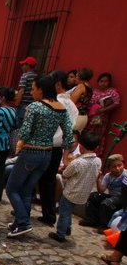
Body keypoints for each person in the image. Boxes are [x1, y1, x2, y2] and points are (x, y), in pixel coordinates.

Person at [5, 74, 73, 237]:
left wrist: (19, 146)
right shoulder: (61, 108)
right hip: (47, 154)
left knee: (12, 188)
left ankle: (22, 221)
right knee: (27, 189)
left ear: (41, 90)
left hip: (31, 151)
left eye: (33, 89)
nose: (32, 92)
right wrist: (65, 155)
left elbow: (25, 132)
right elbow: (69, 134)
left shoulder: (36, 107)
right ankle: (20, 221)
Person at [37, 70, 79, 225]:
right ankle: (48, 214)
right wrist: (66, 154)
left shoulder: (54, 103)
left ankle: (25, 210)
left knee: (35, 177)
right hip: (58, 148)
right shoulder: (72, 106)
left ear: (57, 84)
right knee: (48, 181)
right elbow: (70, 131)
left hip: (45, 145)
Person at [48, 131, 101, 243]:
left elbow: (66, 174)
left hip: (71, 192)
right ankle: (68, 229)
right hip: (84, 193)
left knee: (64, 213)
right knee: (69, 211)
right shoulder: (98, 161)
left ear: (81, 146)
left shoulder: (78, 162)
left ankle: (60, 234)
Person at [80, 154, 126, 230]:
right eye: (114, 167)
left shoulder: (125, 175)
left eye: (120, 165)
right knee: (93, 196)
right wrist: (98, 179)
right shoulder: (108, 176)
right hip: (112, 196)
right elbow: (101, 190)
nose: (117, 169)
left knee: (106, 203)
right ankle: (91, 219)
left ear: (123, 164)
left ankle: (104, 225)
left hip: (121, 198)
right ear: (109, 168)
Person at [86, 72, 121, 156]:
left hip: (102, 119)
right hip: (91, 117)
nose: (103, 83)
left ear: (109, 82)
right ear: (98, 82)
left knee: (98, 135)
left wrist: (104, 110)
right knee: (88, 133)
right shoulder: (94, 92)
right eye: (101, 81)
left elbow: (116, 103)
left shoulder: (111, 92)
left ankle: (96, 153)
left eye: (106, 81)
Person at [14, 56, 38, 128]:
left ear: (27, 65)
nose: (22, 67)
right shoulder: (36, 76)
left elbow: (21, 91)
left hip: (23, 105)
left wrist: (17, 103)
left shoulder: (25, 76)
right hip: (33, 105)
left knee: (19, 127)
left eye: (23, 65)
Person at [70, 67, 93, 132]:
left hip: (76, 117)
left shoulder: (80, 86)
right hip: (83, 117)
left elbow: (71, 102)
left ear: (80, 77)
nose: (75, 78)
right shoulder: (89, 88)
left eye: (76, 76)